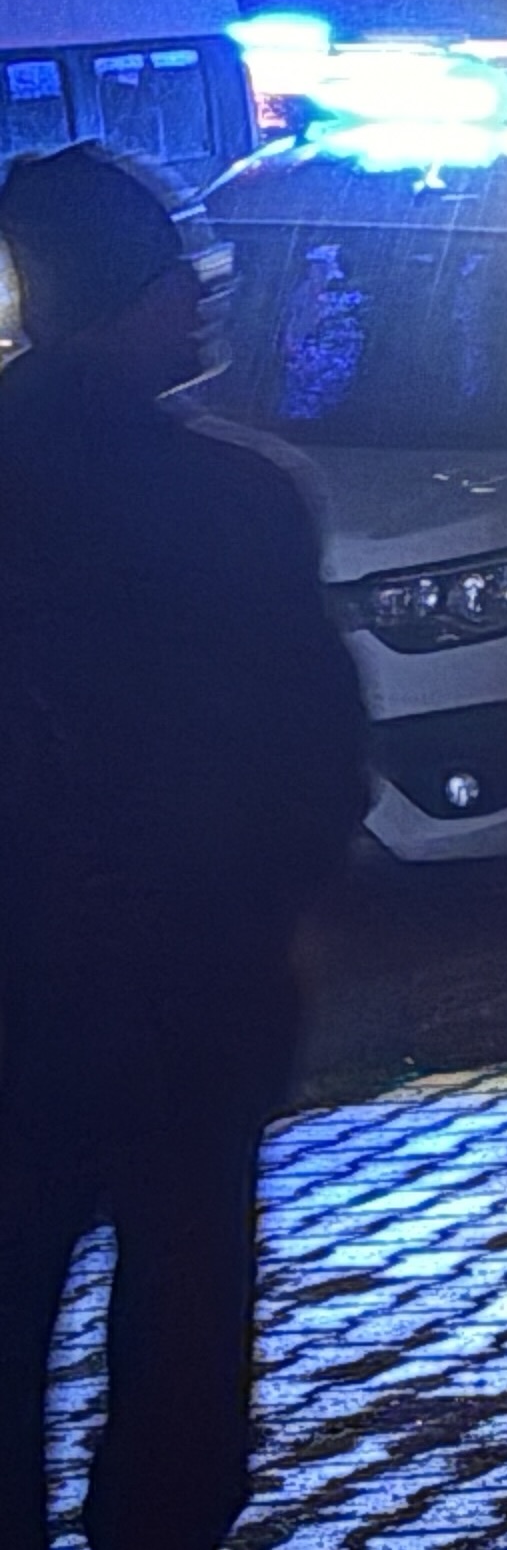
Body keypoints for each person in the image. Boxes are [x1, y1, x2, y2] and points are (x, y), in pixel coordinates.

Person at [0, 145, 364, 1550]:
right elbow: (311, 750)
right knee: (187, 1293)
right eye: (181, 284)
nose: (203, 310)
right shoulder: (236, 500)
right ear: (135, 300)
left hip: (21, 973)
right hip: (189, 977)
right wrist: (283, 903)